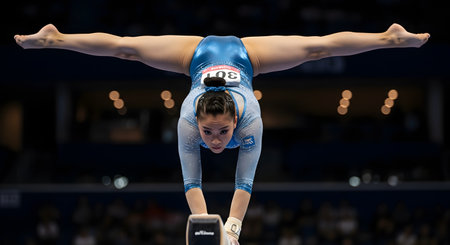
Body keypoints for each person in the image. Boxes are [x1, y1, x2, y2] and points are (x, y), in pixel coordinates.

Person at [14, 23, 429, 245]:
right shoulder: (186, 122)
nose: (214, 140)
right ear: (197, 120)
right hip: (194, 56)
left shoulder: (251, 120)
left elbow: (243, 182)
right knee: (128, 49)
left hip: (249, 58)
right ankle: (57, 38)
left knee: (315, 48)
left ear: (235, 123)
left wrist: (229, 228)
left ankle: (388, 37)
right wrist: (211, 225)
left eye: (220, 133)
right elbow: (191, 182)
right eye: (210, 133)